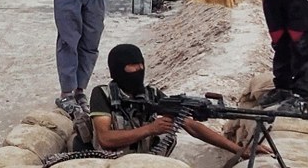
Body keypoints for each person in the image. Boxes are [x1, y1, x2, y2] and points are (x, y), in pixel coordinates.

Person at [89, 44, 272, 157]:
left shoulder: (152, 94)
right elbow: (105, 139)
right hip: (109, 162)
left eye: (141, 65)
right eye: (132, 67)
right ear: (118, 69)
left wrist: (239, 150)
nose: (139, 70)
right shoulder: (103, 94)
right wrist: (150, 129)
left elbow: (192, 126)